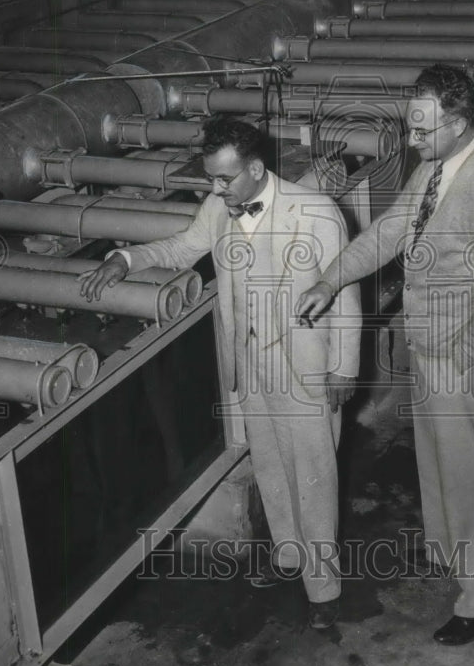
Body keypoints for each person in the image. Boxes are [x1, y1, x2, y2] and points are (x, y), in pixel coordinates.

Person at [79, 116, 361, 629]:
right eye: (211, 178)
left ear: (255, 169)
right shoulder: (219, 206)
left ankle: (325, 588)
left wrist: (344, 367)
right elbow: (184, 247)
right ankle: (290, 556)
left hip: (305, 368)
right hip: (252, 364)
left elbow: (345, 294)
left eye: (223, 179)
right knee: (272, 464)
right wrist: (126, 259)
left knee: (314, 475)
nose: (214, 188)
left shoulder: (316, 213)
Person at [296, 64, 474, 646]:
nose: (412, 140)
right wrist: (330, 278)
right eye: (411, 126)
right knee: (438, 464)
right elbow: (390, 231)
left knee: (473, 479)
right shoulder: (436, 166)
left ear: (458, 122)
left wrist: (459, 361)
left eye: (422, 130)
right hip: (430, 347)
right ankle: (453, 559)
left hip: (465, 360)